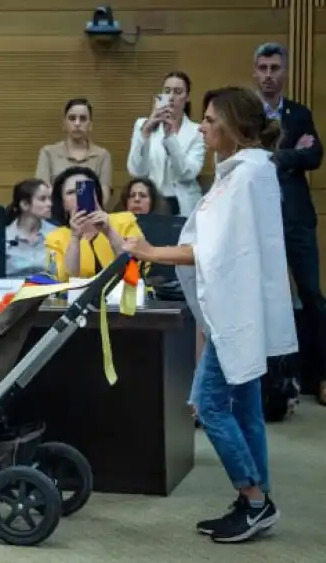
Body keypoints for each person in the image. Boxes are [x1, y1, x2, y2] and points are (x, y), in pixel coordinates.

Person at [123, 86, 295, 543]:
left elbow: (214, 251)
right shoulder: (244, 170)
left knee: (210, 404)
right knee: (245, 407)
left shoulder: (246, 175)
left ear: (235, 127)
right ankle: (256, 500)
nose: (201, 127)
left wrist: (150, 250)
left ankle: (254, 498)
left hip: (235, 309)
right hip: (239, 307)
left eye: (210, 119)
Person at [253, 42, 326, 406]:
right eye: (263, 68)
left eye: (275, 68)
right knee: (266, 298)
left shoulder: (299, 113)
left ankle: (324, 376)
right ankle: (275, 379)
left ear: (284, 72)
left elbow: (314, 154)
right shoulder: (247, 113)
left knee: (311, 294)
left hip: (296, 217)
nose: (269, 75)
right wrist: (292, 155)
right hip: (257, 218)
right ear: (255, 71)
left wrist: (278, 156)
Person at [125, 71, 204, 216]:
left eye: (178, 92)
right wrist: (145, 133)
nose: (172, 97)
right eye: (167, 91)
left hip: (184, 205)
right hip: (151, 204)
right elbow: (136, 171)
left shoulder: (197, 131)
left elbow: (186, 174)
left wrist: (170, 137)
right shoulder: (142, 125)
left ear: (187, 97)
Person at [44, 166, 142, 281]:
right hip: (78, 297)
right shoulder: (55, 238)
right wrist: (75, 238)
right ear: (63, 203)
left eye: (84, 191)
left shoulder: (125, 220)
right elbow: (65, 281)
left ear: (96, 194)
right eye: (71, 192)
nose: (78, 196)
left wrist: (109, 231)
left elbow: (136, 268)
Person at [35, 98, 112, 201]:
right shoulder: (48, 153)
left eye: (83, 119)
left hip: (92, 213)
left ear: (90, 125)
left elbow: (104, 196)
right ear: (64, 123)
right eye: (72, 118)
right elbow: (43, 193)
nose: (77, 123)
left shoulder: (103, 155)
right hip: (56, 213)